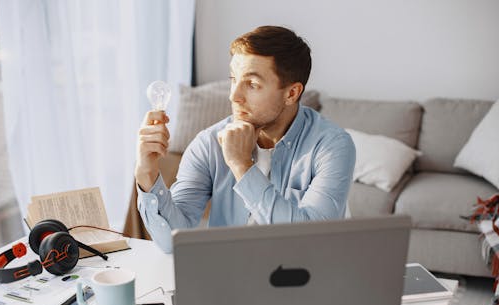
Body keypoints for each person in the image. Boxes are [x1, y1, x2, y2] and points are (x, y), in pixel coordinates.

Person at [135, 26, 355, 253]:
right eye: (233, 79)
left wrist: (242, 165)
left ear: (291, 93)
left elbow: (310, 241)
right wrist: (146, 173)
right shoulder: (209, 143)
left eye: (252, 84)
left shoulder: (332, 145)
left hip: (304, 278)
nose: (234, 96)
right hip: (232, 275)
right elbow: (172, 241)